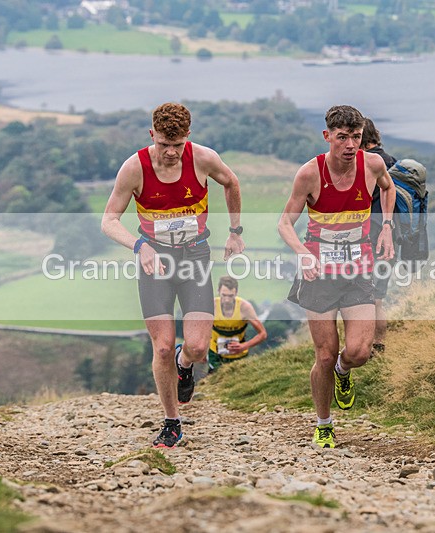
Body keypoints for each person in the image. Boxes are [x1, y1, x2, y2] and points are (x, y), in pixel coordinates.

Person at [101, 102, 245, 448]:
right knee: (161, 347)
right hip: (155, 262)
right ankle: (171, 421)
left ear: (188, 138)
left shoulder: (203, 158)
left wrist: (235, 230)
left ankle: (185, 363)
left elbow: (231, 182)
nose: (170, 152)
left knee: (196, 348)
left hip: (195, 256)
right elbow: (108, 220)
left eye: (177, 145)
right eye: (164, 143)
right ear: (152, 134)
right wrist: (139, 246)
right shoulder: (134, 168)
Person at [278, 105, 395, 449]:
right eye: (342, 137)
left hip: (358, 268)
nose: (349, 145)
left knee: (359, 351)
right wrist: (302, 253)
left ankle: (345, 372)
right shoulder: (309, 174)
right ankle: (324, 423)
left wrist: (387, 227)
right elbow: (284, 223)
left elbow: (387, 189)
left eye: (355, 137)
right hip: (318, 272)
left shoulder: (373, 165)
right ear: (327, 136)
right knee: (324, 355)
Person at [361, 117, 397, 356]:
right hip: (393, 239)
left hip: (372, 238)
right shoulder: (394, 162)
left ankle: (367, 346)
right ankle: (379, 345)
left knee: (366, 299)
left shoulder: (368, 163)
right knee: (379, 298)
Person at [208, 276, 267, 372]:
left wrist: (244, 346)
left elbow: (263, 334)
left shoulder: (245, 307)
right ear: (218, 291)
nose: (227, 300)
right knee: (215, 383)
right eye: (224, 295)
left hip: (239, 355)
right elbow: (201, 329)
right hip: (215, 353)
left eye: (231, 296)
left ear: (236, 293)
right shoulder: (211, 305)